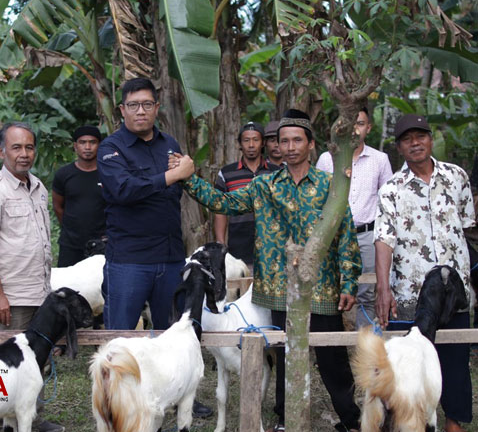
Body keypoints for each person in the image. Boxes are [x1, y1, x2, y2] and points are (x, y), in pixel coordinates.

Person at [172, 109, 362, 432]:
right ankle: (286, 419)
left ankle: (352, 420)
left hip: (322, 286)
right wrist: (187, 178)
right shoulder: (264, 186)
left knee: (333, 360)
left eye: (296, 140)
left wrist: (349, 282)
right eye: (283, 141)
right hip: (277, 289)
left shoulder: (330, 186)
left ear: (310, 144)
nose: (289, 147)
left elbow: (346, 234)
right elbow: (223, 202)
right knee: (285, 355)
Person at [97, 77, 212, 419]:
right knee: (119, 337)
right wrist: (170, 178)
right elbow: (123, 191)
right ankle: (111, 402)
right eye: (133, 105)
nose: (141, 111)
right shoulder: (111, 148)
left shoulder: (169, 144)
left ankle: (178, 396)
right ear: (122, 110)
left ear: (157, 107)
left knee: (174, 334)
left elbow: (169, 193)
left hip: (170, 255)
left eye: (147, 104)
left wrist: (167, 181)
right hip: (129, 259)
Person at [374, 114, 475, 432]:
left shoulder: (456, 176)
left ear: (431, 139)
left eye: (420, 136)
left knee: (456, 362)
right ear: (399, 147)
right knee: (412, 365)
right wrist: (382, 288)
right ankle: (412, 421)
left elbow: (469, 227)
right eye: (407, 138)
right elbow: (384, 240)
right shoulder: (391, 189)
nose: (415, 143)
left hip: (455, 290)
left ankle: (454, 424)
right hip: (411, 294)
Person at [0, 122, 62, 432]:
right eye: (16, 147)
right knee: (3, 363)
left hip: (38, 291)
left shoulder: (38, 187)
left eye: (29, 147)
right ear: (1, 152)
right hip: (10, 295)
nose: (24, 154)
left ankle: (29, 418)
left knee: (35, 361)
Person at [316, 107, 392, 329]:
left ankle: (364, 350)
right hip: (333, 236)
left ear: (368, 128)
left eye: (360, 123)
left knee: (368, 295)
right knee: (329, 291)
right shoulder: (326, 159)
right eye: (350, 123)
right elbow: (319, 199)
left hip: (367, 234)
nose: (354, 129)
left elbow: (388, 201)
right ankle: (332, 351)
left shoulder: (380, 159)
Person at [213, 122, 280, 267]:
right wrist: (221, 245)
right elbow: (220, 210)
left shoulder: (277, 173)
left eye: (256, 140)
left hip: (273, 249)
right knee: (240, 288)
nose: (251, 145)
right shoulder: (226, 173)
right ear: (239, 144)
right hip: (239, 248)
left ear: (262, 143)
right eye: (246, 140)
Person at [52, 125, 106, 267]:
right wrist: (71, 229)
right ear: (75, 146)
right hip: (71, 245)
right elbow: (57, 206)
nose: (87, 147)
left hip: (102, 244)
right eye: (82, 142)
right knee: (66, 285)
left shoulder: (108, 174)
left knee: (102, 286)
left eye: (92, 142)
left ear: (99, 145)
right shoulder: (63, 175)